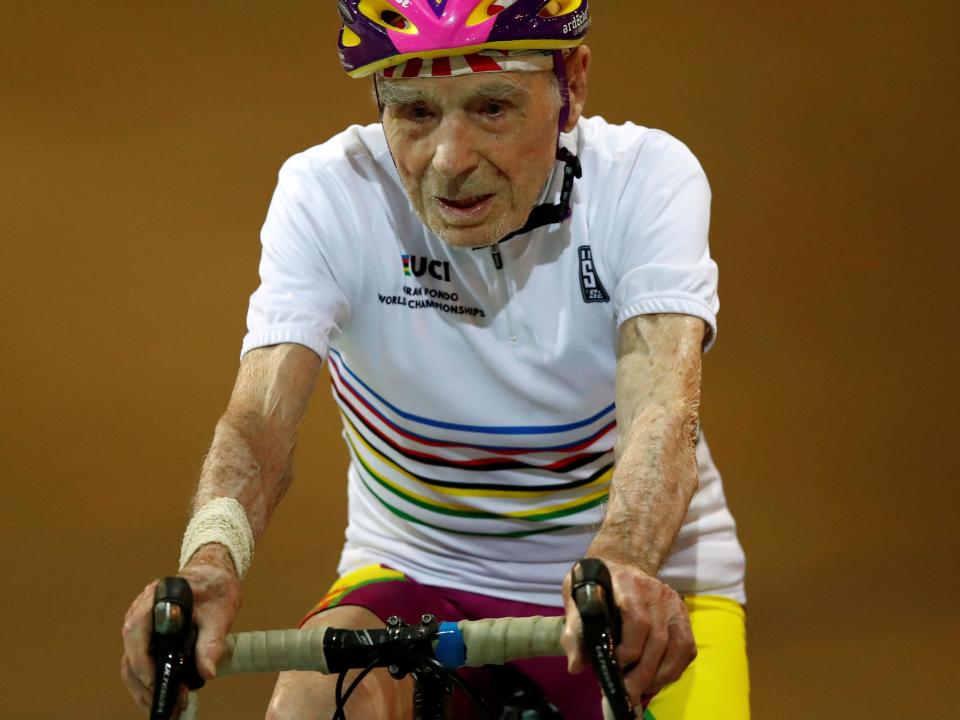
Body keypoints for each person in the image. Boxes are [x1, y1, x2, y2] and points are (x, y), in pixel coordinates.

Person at [121, 1, 749, 718]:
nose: (451, 161)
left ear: (572, 81)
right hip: (414, 573)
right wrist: (210, 562)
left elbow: (660, 410)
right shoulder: (328, 193)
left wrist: (627, 563)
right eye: (416, 112)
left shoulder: (646, 179)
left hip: (644, 583)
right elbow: (259, 423)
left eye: (491, 107)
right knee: (309, 705)